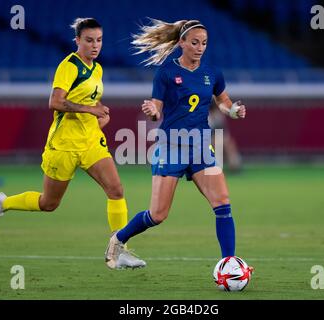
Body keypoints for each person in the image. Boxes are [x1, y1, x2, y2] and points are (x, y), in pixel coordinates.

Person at [0, 18, 145, 269]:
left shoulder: (98, 69)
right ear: (78, 41)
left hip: (90, 142)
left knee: (116, 190)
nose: (95, 45)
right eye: (89, 40)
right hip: (64, 146)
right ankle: (3, 202)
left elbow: (87, 110)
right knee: (49, 203)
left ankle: (118, 250)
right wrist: (91, 109)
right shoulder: (69, 66)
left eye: (99, 40)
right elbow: (56, 102)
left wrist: (99, 117)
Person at [105, 18, 251, 271]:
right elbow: (156, 109)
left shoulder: (212, 73)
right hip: (172, 146)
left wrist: (234, 110)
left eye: (204, 43)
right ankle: (118, 239)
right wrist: (152, 110)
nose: (200, 47)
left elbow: (224, 100)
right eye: (194, 42)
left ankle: (229, 263)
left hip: (201, 145)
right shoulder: (166, 73)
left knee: (222, 203)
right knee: (158, 215)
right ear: (181, 42)